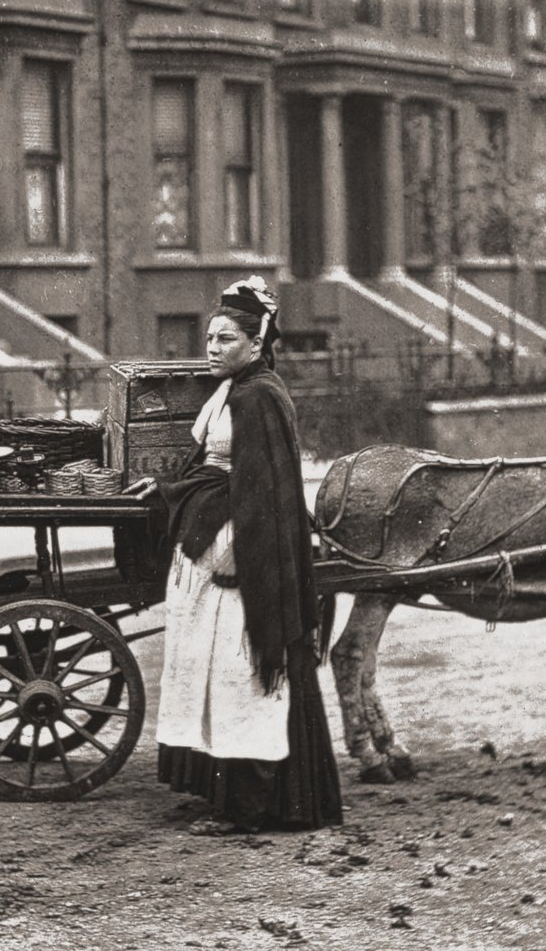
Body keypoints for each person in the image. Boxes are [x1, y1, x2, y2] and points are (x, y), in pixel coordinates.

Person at [147, 276, 343, 834]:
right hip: (215, 554)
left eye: (226, 339)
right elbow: (207, 464)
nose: (212, 347)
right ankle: (223, 790)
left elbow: (265, 493)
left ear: (257, 344)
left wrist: (236, 560)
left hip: (239, 563)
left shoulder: (260, 396)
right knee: (212, 677)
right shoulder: (233, 388)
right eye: (209, 337)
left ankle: (249, 805)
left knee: (241, 681)